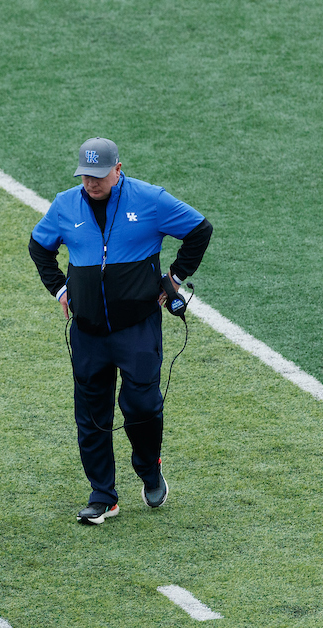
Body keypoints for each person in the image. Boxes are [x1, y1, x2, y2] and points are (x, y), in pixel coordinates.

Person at [30, 137, 212, 524]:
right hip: (88, 332)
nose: (91, 183)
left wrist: (174, 277)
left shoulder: (150, 199)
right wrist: (60, 288)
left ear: (117, 169)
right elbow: (39, 246)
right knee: (91, 415)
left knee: (142, 405)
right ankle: (103, 495)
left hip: (137, 329)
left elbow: (199, 230)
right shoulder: (65, 204)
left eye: (99, 175)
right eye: (85, 175)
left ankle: (149, 469)